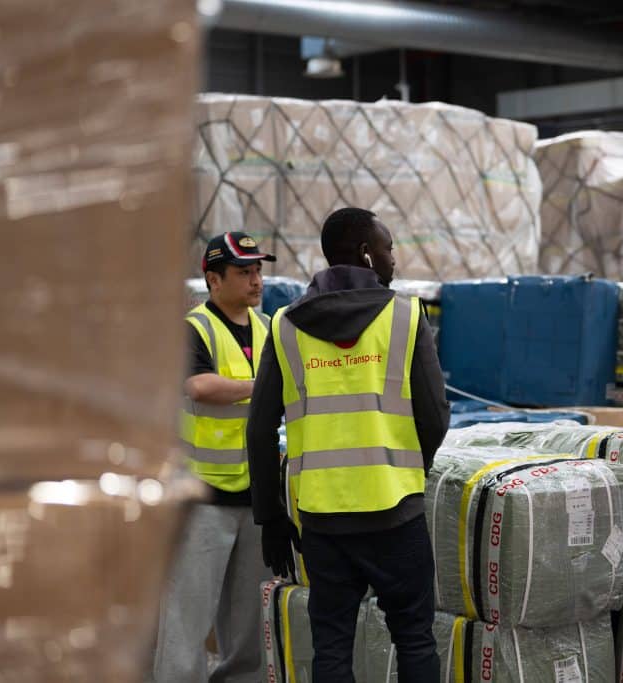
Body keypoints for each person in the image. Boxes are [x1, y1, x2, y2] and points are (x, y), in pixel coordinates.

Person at [247, 207, 450, 682]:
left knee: (332, 647)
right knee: (414, 639)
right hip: (395, 512)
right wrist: (409, 470)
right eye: (388, 248)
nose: (393, 258)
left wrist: (270, 516)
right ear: (365, 253)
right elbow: (436, 415)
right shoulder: (405, 315)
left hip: (323, 518)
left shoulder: (284, 325)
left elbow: (259, 429)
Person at [154, 231, 276, 683]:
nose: (256, 280)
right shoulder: (194, 329)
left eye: (258, 270)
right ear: (214, 279)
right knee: (186, 621)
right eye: (244, 272)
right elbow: (200, 386)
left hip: (254, 497)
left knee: (250, 627)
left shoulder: (268, 329)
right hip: (202, 498)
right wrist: (263, 387)